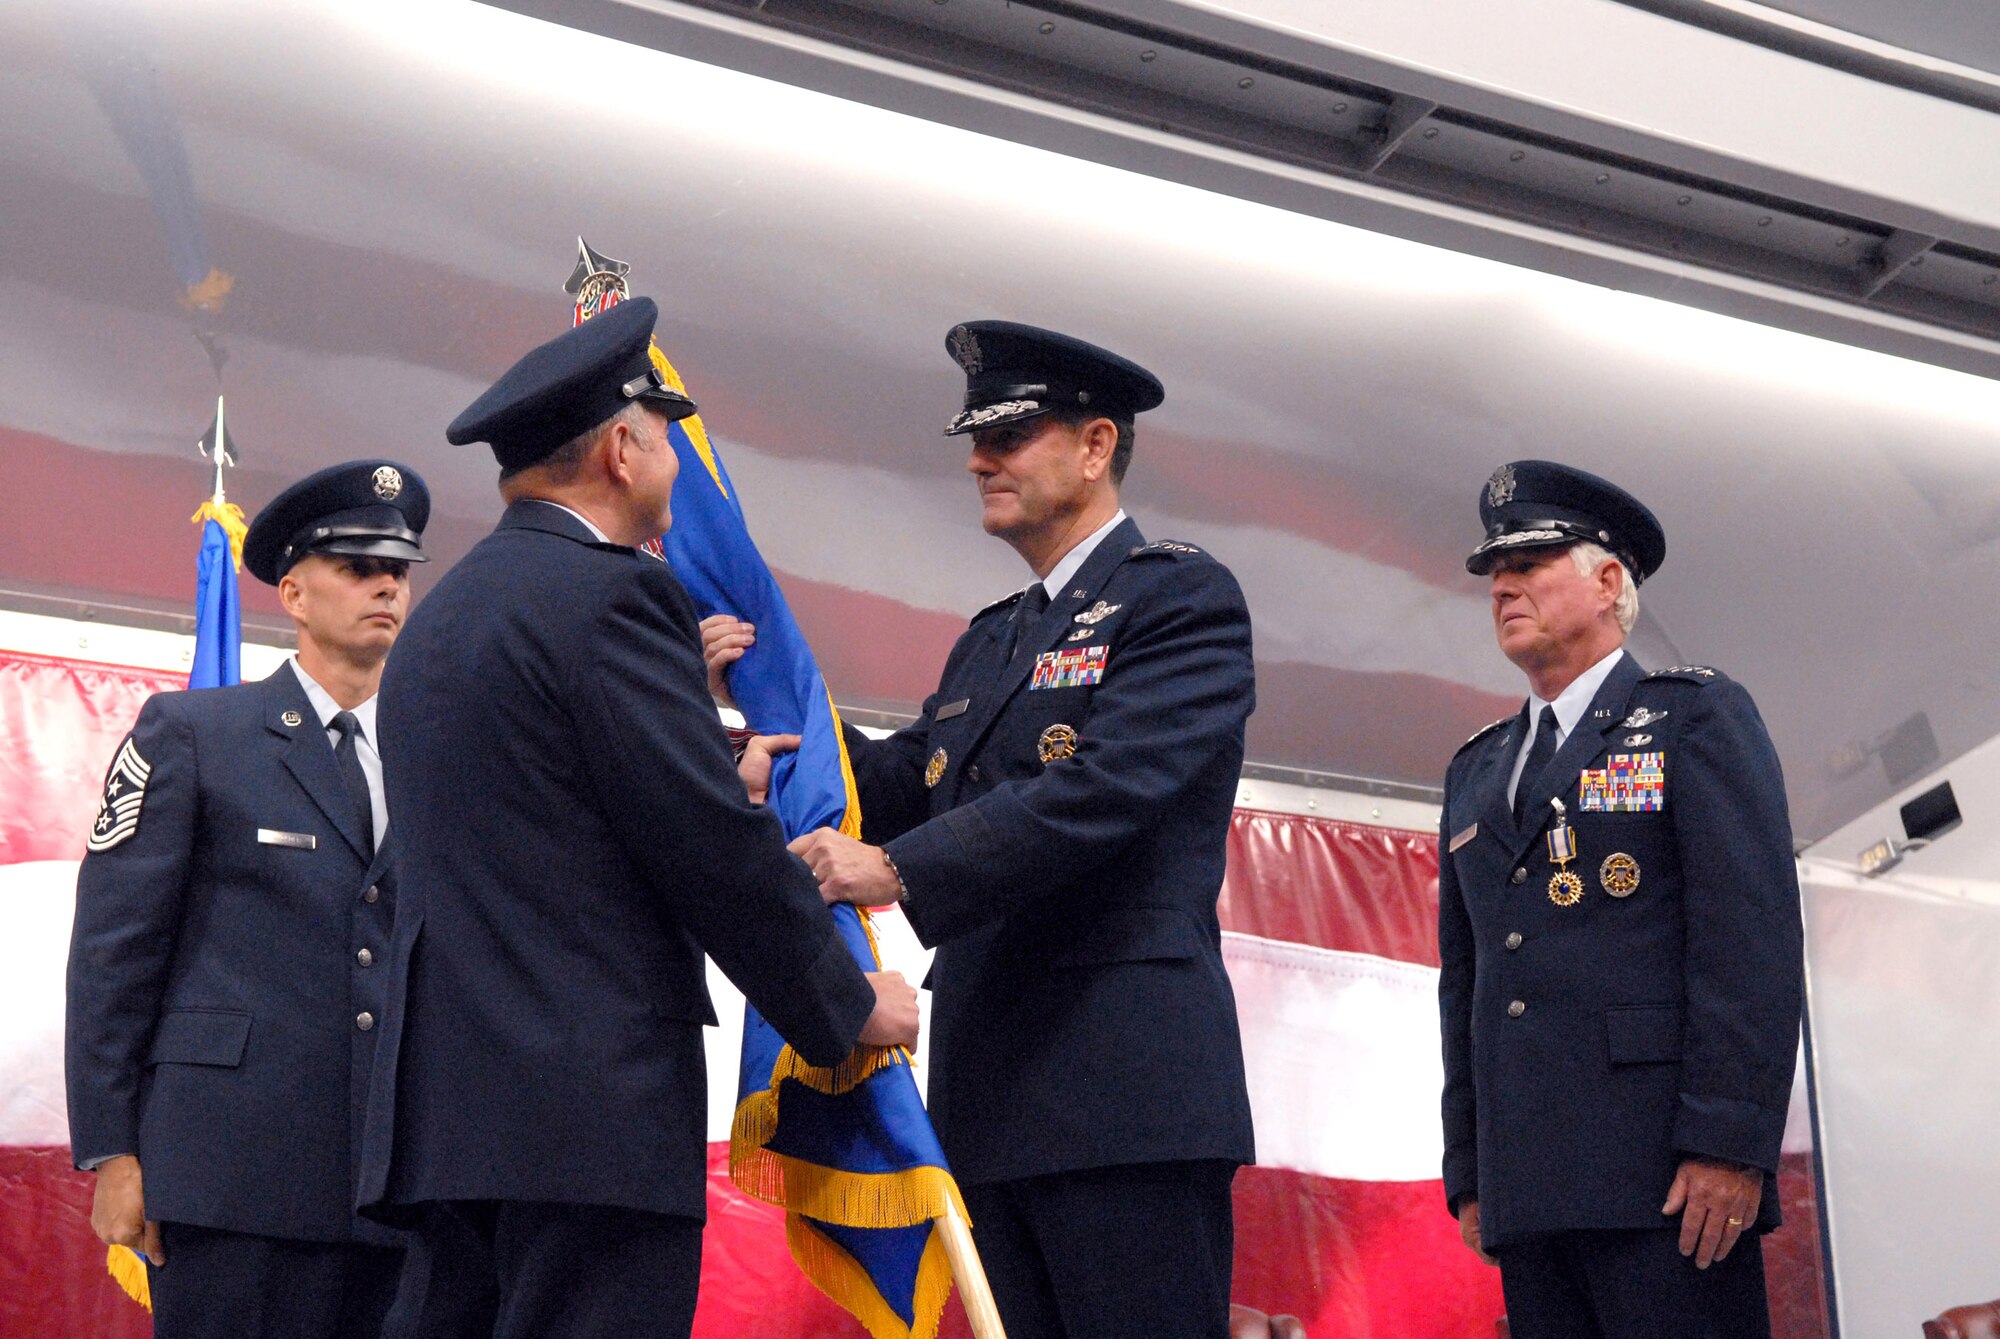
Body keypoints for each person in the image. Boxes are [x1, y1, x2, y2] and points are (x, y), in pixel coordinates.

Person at [353, 296, 919, 1339]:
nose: (673, 459)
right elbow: (706, 853)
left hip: (447, 1116)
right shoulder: (614, 599)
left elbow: (543, 823)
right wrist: (846, 1007)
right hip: (582, 1114)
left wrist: (707, 777)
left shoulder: (440, 621)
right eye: (663, 434)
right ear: (621, 447)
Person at [706, 320, 1257, 1339]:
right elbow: (891, 778)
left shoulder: (1178, 597)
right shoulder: (993, 638)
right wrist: (746, 725)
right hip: (995, 1089)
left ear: (1095, 447)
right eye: (976, 437)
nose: (978, 458)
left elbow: (1107, 787)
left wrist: (894, 871)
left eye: (1010, 435)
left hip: (1122, 1092)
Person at [1436, 460, 1804, 1338]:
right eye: (1496, 571)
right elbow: (1468, 979)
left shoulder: (1691, 716)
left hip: (1666, 1178)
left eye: (1532, 562)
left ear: (1608, 581)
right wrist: (1472, 1168)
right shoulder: (1476, 767)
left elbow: (1747, 940)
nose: (1504, 586)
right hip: (1529, 1185)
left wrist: (1728, 1141)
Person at [66, 458, 432, 1338]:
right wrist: (114, 1151)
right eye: (357, 567)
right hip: (235, 1176)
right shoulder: (197, 734)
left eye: (398, 570)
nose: (385, 585)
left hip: (399, 1188)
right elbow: (114, 952)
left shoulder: (436, 756)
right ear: (296, 594)